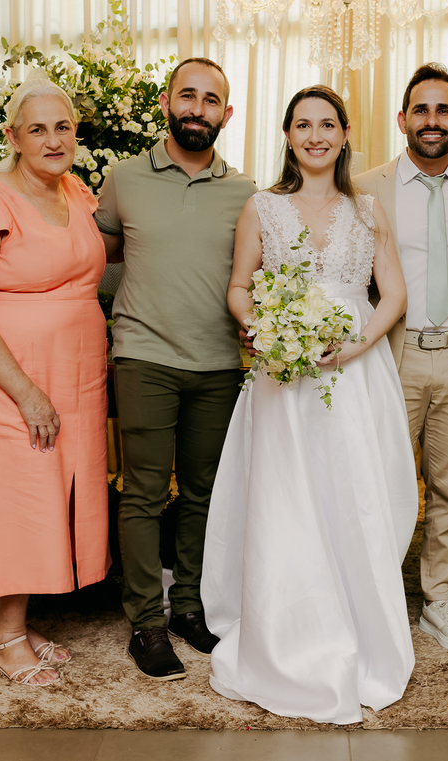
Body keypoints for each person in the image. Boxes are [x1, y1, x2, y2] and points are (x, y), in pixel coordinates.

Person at [201, 85, 418, 725]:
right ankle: (288, 632)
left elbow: (394, 294)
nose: (316, 136)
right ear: (288, 135)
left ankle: (361, 625)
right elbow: (238, 287)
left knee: (354, 491)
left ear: (346, 134)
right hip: (284, 373)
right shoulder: (262, 207)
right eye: (303, 125)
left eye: (328, 125)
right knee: (288, 496)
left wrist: (358, 345)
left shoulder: (369, 209)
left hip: (356, 372)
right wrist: (265, 325)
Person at [0, 74, 110, 687]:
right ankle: (3, 637)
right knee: (18, 496)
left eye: (62, 126)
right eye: (37, 129)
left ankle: (21, 622)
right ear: (13, 138)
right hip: (13, 378)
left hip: (76, 373)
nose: (52, 139)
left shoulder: (78, 193)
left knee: (53, 496)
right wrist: (27, 392)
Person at [96, 58, 258, 681]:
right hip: (143, 357)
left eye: (210, 99)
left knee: (203, 492)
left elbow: (255, 274)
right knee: (142, 491)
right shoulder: (123, 178)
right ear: (167, 102)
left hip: (218, 362)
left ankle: (188, 606)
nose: (197, 108)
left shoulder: (246, 192)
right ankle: (146, 621)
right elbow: (99, 259)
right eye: (187, 95)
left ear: (227, 113)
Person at [354, 64, 448, 655]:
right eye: (421, 109)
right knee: (381, 480)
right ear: (402, 119)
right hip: (393, 354)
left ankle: (439, 600)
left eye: (444, 110)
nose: (432, 120)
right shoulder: (365, 189)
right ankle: (376, 597)